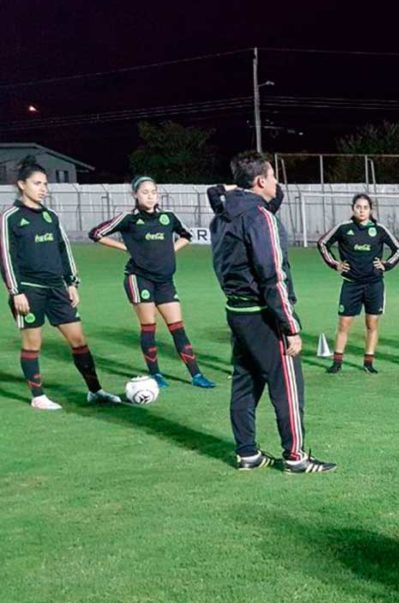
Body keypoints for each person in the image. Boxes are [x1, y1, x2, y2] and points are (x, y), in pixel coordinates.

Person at [210, 151, 334, 472]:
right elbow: (272, 274)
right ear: (261, 180)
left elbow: (233, 197)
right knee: (288, 386)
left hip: (236, 311)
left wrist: (235, 187)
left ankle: (247, 453)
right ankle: (295, 457)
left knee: (245, 381)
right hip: (264, 314)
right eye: (273, 176)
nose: (278, 183)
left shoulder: (224, 213)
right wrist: (290, 325)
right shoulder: (260, 219)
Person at [2, 156, 122, 409]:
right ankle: (38, 397)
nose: (43, 188)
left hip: (57, 289)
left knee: (78, 340)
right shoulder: (10, 217)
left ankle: (95, 390)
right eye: (37, 183)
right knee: (32, 343)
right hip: (29, 291)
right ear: (22, 185)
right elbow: (5, 256)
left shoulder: (51, 217)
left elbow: (63, 250)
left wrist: (72, 283)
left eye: (45, 183)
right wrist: (16, 292)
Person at [89, 176, 216, 389]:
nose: (150, 196)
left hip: (165, 280)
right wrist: (125, 248)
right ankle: (155, 374)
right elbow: (96, 233)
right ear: (135, 195)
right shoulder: (128, 219)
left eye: (153, 192)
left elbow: (186, 235)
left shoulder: (168, 217)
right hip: (139, 279)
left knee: (177, 327)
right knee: (149, 326)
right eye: (145, 192)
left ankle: (196, 375)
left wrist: (171, 250)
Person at [316, 194, 399, 374]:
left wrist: (386, 265)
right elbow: (323, 243)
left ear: (371, 210)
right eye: (358, 207)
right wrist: (335, 264)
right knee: (344, 324)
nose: (361, 210)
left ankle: (368, 362)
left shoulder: (379, 229)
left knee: (372, 324)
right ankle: (337, 362)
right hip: (351, 284)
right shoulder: (344, 228)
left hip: (374, 285)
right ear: (353, 208)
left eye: (365, 207)